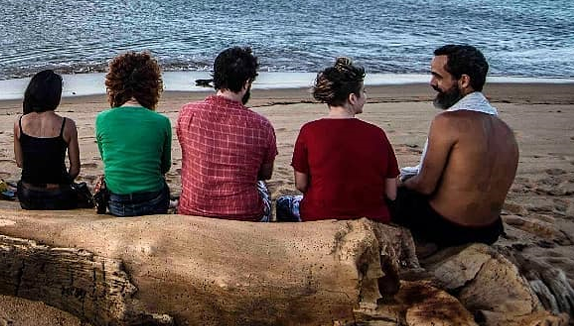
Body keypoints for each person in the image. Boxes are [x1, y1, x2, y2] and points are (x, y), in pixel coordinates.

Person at [392, 44, 519, 247]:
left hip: (450, 229)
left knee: (389, 193)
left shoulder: (448, 122)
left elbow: (424, 186)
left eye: (438, 76)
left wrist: (399, 183)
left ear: (463, 80)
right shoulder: (504, 128)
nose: (432, 82)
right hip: (489, 230)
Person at [275, 58, 398, 223]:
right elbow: (391, 193)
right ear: (353, 98)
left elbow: (301, 184)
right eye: (364, 91)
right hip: (370, 218)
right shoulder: (377, 134)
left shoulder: (309, 131)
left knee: (283, 203)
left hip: (319, 216)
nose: (366, 96)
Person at [177, 47, 277, 222]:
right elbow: (265, 174)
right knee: (263, 188)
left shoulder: (187, 113)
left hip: (192, 210)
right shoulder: (262, 125)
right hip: (245, 216)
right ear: (246, 83)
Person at [95, 52, 172, 216]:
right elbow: (164, 167)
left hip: (117, 203)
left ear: (114, 85)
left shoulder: (102, 120)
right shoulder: (161, 122)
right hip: (153, 202)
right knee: (163, 186)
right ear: (151, 87)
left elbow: (108, 160)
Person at [13, 70, 89, 210]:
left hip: (28, 195)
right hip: (58, 196)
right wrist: (62, 182)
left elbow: (20, 162)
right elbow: (75, 169)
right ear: (56, 97)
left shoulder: (20, 123)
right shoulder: (67, 125)